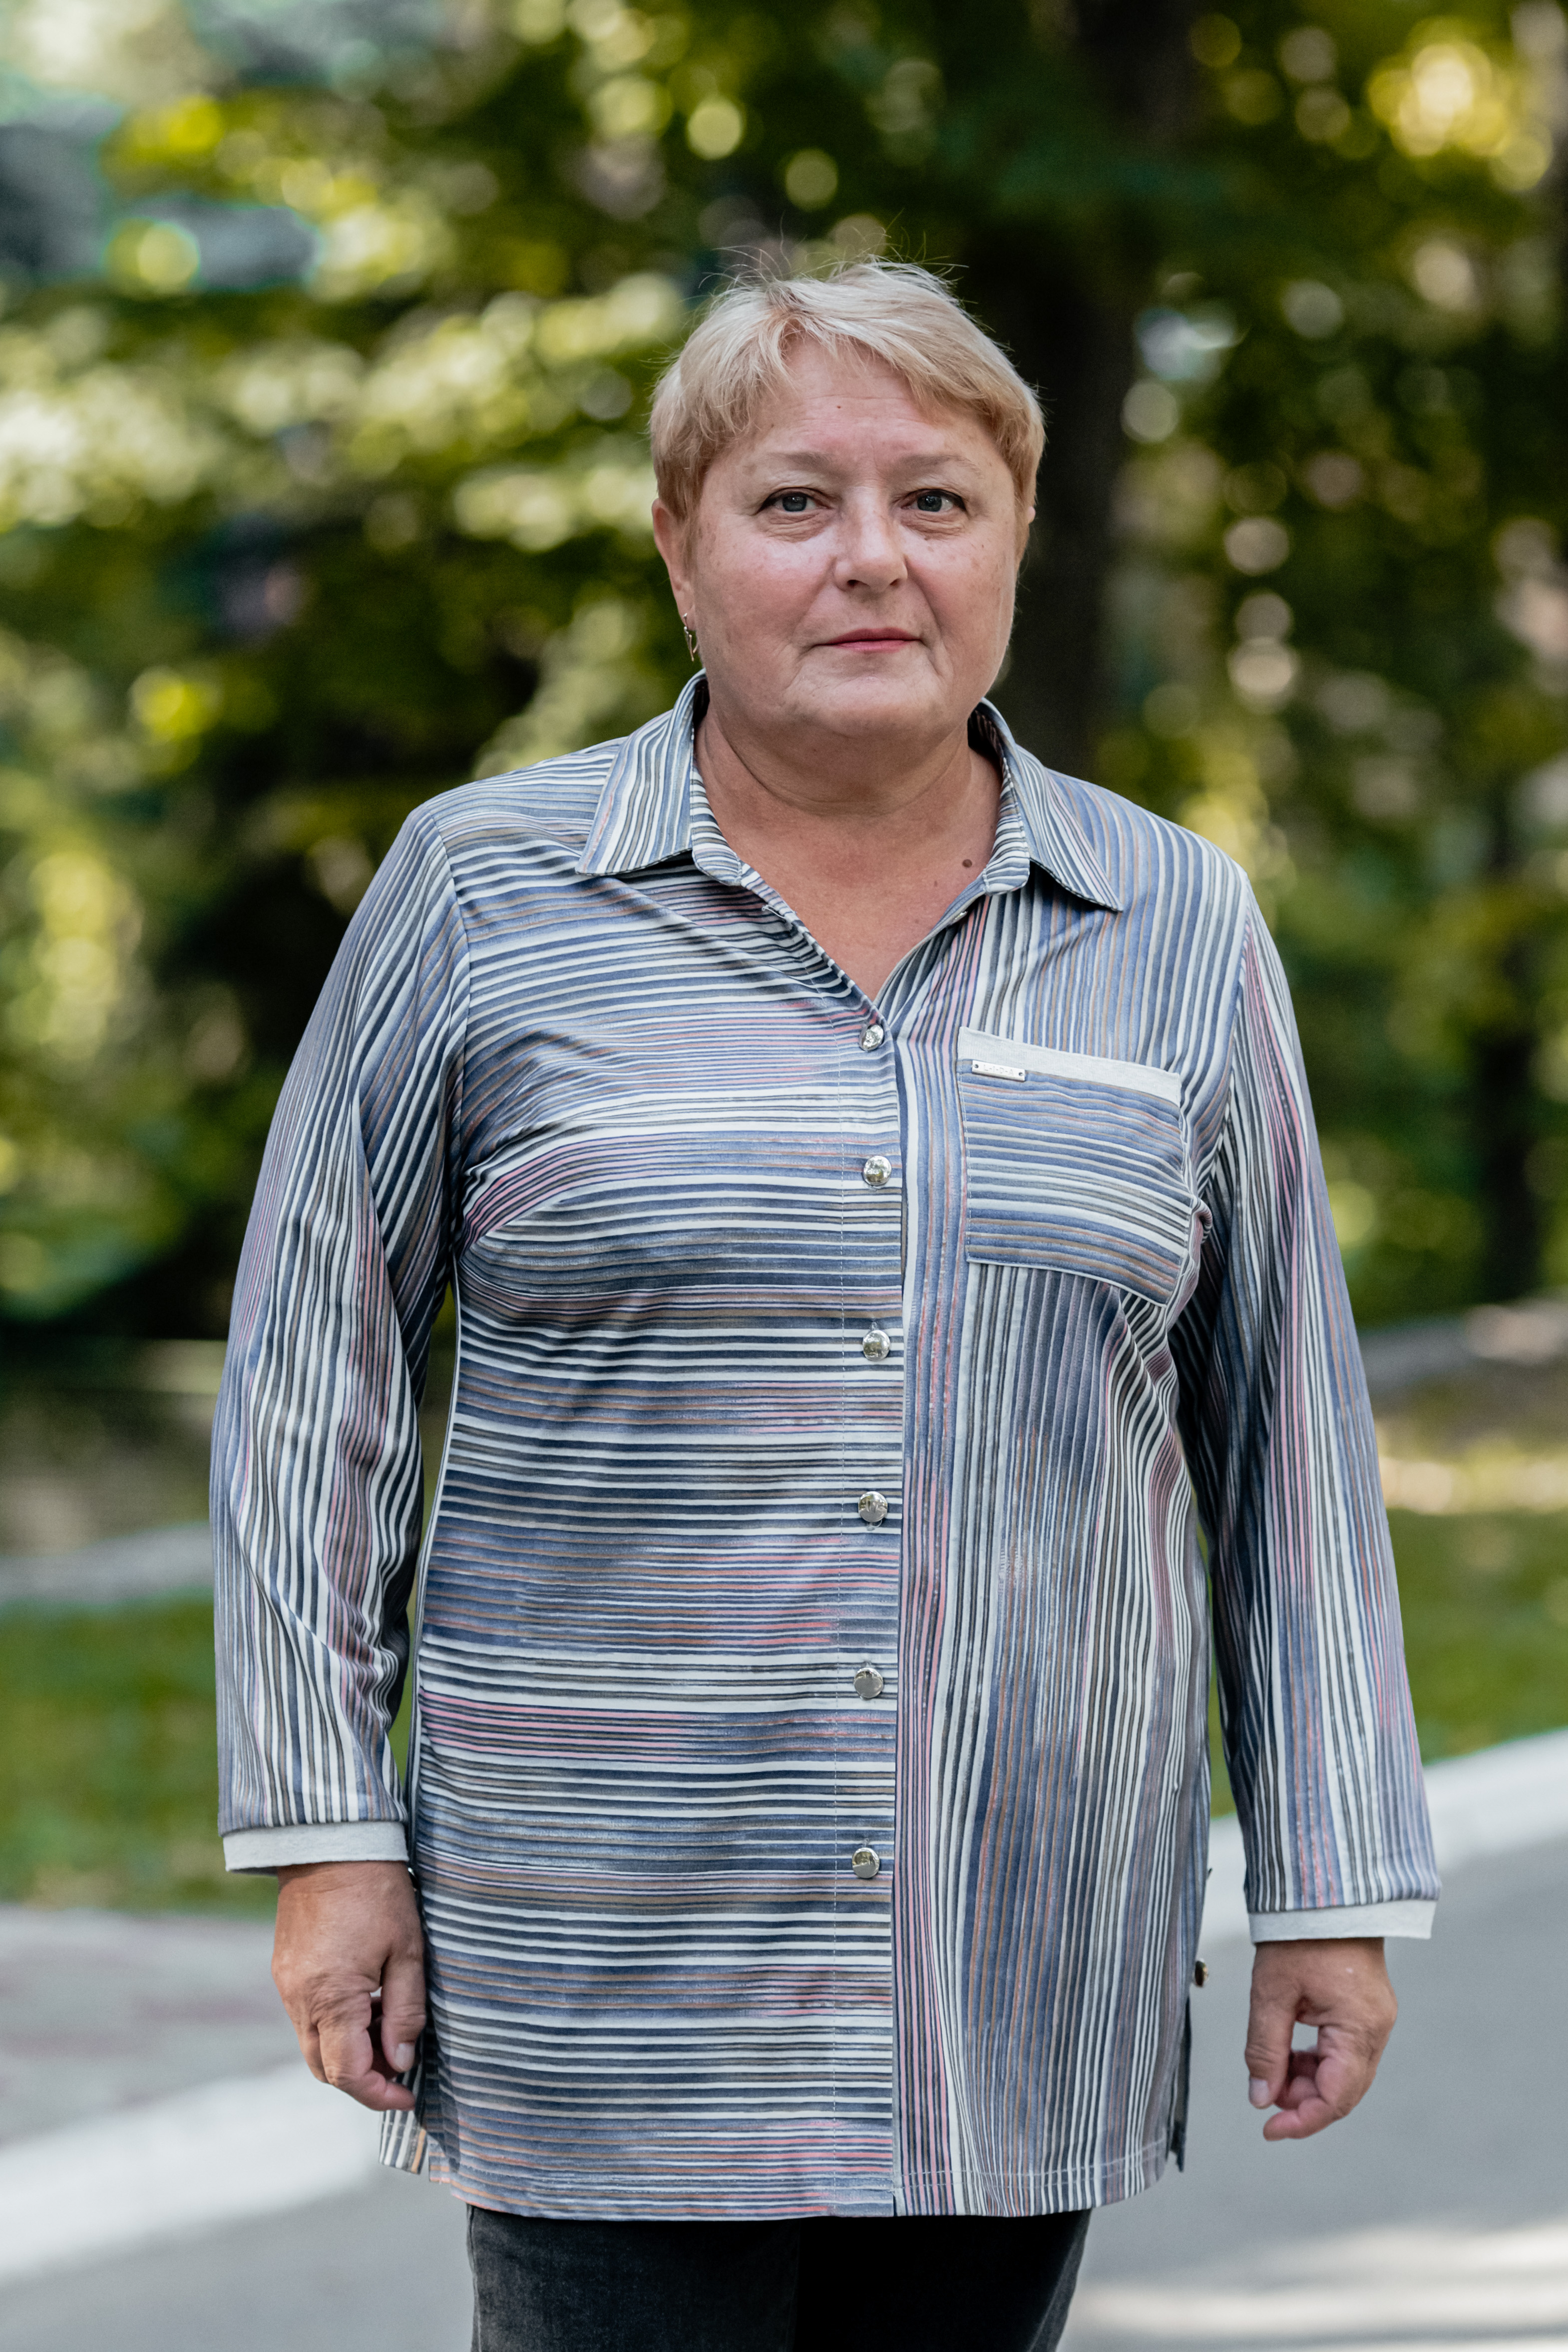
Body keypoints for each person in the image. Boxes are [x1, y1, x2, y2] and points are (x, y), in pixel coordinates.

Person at [214, 261, 1439, 2352]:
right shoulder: (478, 890)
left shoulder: (1173, 920)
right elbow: (306, 1383)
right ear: (679, 549)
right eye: (794, 501)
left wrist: (1328, 1884)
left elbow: (1286, 1444)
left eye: (934, 500)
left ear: (1013, 540)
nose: (871, 557)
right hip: (606, 1959)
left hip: (1019, 1952)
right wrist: (329, 1838)